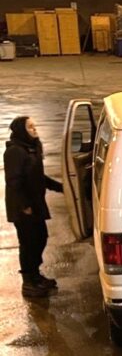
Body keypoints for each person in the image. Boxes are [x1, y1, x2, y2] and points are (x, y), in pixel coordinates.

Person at [4, 117, 62, 298]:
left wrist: (60, 187)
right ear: (22, 130)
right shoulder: (15, 151)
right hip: (24, 208)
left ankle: (35, 275)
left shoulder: (31, 148)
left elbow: (38, 177)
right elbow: (14, 181)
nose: (34, 129)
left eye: (34, 126)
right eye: (30, 127)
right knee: (28, 243)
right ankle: (28, 282)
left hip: (35, 204)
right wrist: (25, 206)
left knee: (40, 238)